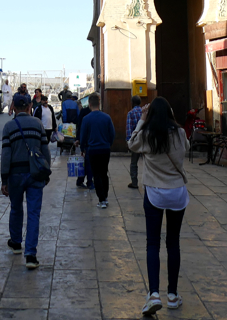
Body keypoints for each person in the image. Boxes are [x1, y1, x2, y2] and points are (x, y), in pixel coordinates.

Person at [128, 97, 189, 316]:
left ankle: (154, 294)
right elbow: (187, 148)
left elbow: (131, 143)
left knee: (152, 243)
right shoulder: (180, 134)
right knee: (173, 243)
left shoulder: (147, 135)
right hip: (177, 193)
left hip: (154, 192)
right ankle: (172, 294)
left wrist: (142, 120)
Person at [1, 91, 51, 270]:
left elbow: (6, 155)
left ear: (14, 107)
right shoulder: (37, 124)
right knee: (33, 213)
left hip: (15, 175)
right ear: (30, 106)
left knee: (16, 208)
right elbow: (45, 152)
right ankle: (31, 254)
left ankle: (15, 243)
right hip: (35, 174)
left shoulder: (9, 127)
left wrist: (3, 179)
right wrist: (46, 173)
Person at [78, 93, 115, 208]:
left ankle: (102, 200)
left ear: (89, 104)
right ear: (99, 103)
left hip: (93, 150)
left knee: (96, 175)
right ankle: (106, 197)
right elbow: (112, 134)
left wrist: (82, 148)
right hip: (105, 149)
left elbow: (83, 135)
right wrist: (108, 144)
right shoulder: (107, 117)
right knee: (104, 173)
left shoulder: (86, 119)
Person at [75, 99, 94, 189]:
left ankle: (81, 180)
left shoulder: (98, 112)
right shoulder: (84, 111)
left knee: (87, 162)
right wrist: (78, 139)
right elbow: (79, 126)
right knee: (88, 162)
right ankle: (89, 182)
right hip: (87, 141)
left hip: (90, 141)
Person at [126, 95, 144, 190]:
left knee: (134, 163)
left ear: (132, 103)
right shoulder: (145, 113)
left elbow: (129, 129)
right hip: (146, 140)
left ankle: (134, 182)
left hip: (136, 141)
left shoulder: (131, 113)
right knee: (147, 162)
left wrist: (129, 141)